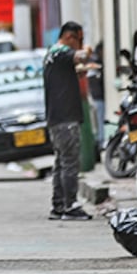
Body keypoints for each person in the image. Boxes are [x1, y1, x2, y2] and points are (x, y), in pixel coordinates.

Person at [44, 21, 93, 220]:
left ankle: (58, 205)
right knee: (70, 162)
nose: (80, 44)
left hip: (55, 118)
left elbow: (62, 76)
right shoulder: (63, 51)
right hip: (66, 118)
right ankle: (71, 205)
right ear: (70, 37)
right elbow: (80, 56)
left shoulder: (51, 53)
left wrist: (78, 73)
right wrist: (87, 50)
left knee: (60, 163)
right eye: (79, 40)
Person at [88, 41, 106, 150]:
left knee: (98, 120)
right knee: (99, 119)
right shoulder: (96, 64)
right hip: (98, 96)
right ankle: (100, 141)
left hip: (95, 96)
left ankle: (100, 140)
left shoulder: (93, 63)